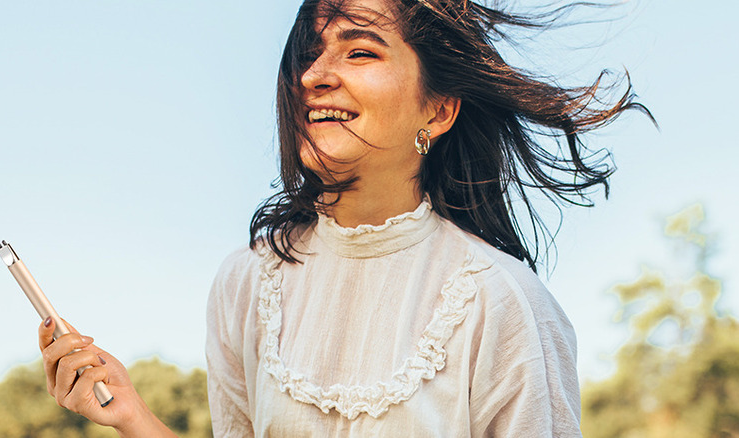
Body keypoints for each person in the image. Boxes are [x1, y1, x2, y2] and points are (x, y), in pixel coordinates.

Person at [38, 0, 652, 436]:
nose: (313, 77)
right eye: (308, 55)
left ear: (437, 110)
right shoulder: (247, 283)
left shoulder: (504, 302)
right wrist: (132, 417)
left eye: (359, 51)